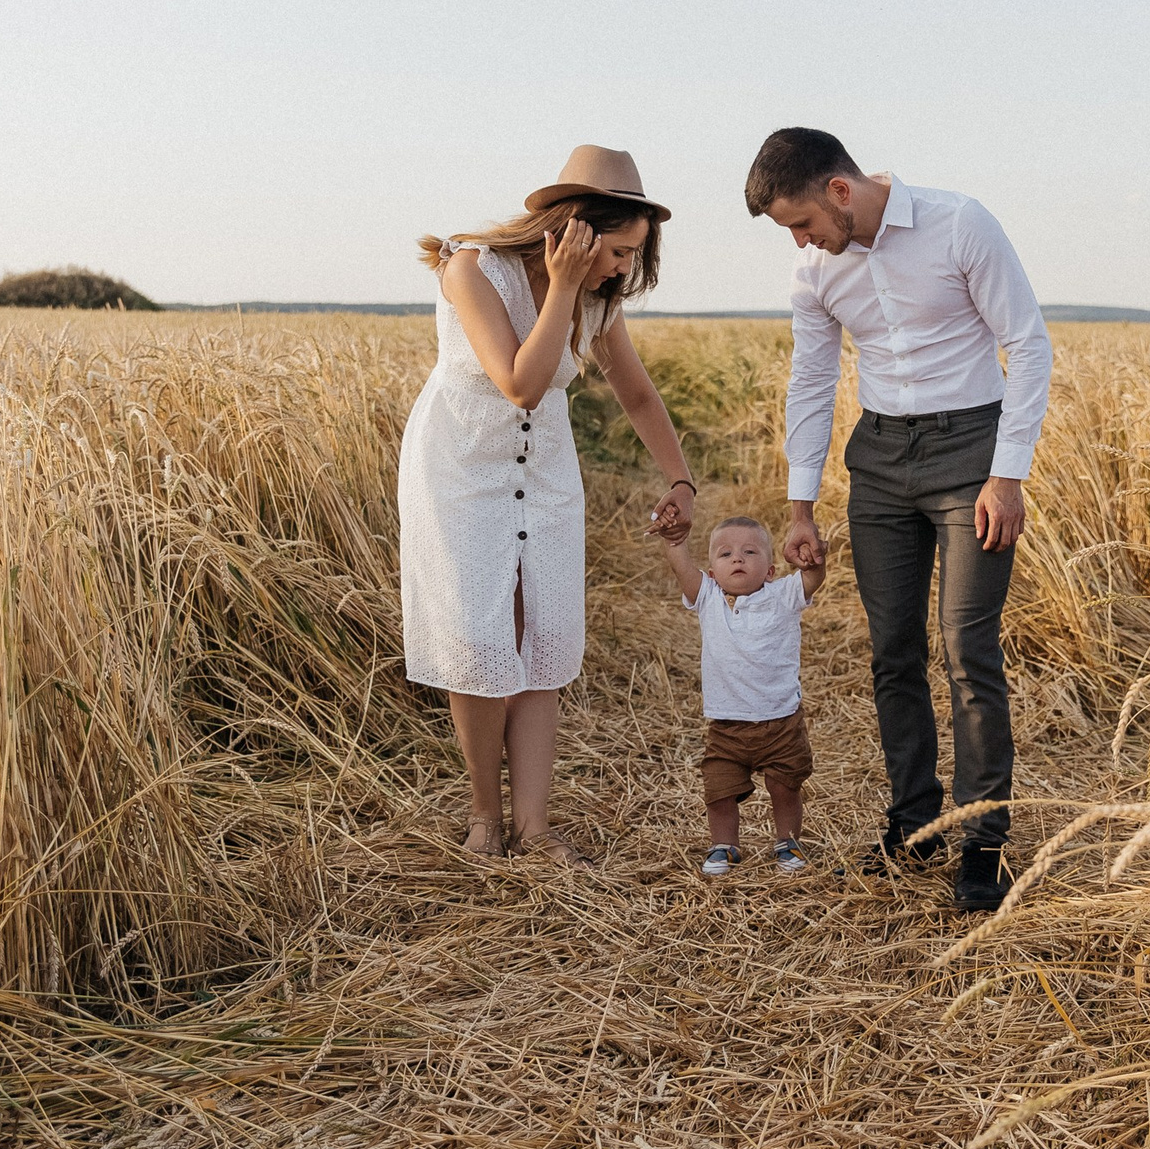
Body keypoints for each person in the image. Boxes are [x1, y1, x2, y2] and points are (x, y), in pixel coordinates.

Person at [744, 127, 1053, 912]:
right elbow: (811, 378)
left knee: (966, 645)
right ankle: (913, 825)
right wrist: (801, 504)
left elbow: (1027, 341)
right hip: (878, 461)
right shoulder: (816, 268)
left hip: (971, 454)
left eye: (802, 222)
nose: (801, 240)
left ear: (840, 191)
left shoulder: (961, 224)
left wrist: (1007, 475)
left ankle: (982, 838)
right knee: (893, 652)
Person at [398, 147, 697, 864]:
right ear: (576, 229)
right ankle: (483, 818)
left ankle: (534, 826)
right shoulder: (472, 269)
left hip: (548, 477)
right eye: (618, 250)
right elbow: (520, 383)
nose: (624, 268)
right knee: (479, 640)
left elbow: (637, 393)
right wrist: (562, 286)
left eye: (633, 254)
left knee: (540, 638)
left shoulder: (598, 296)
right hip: (462, 472)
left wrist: (680, 480)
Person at [658, 514, 829, 878]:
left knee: (785, 786)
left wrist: (815, 559)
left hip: (780, 720)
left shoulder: (783, 595)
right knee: (719, 790)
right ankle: (725, 845)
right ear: (712, 571)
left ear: (769, 570)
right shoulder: (707, 598)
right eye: (726, 554)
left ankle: (788, 841)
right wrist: (674, 543)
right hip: (726, 726)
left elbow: (812, 580)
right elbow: (683, 571)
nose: (737, 559)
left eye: (749, 552)